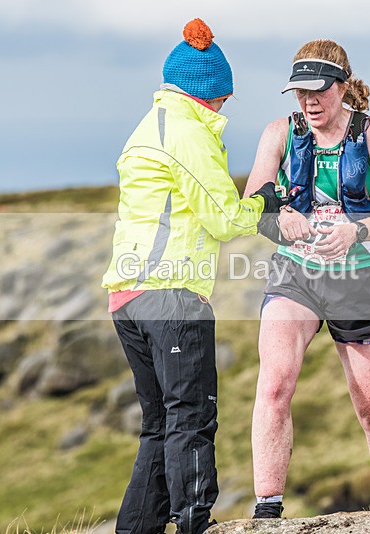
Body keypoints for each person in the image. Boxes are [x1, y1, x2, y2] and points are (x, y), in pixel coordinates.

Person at [101, 18, 281, 534]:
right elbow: (224, 218)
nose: (224, 107)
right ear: (208, 93)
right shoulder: (189, 133)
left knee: (158, 424)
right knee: (192, 415)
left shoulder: (147, 128)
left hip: (127, 297)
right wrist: (263, 202)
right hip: (172, 295)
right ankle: (194, 522)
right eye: (224, 98)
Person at [243, 39, 370, 519]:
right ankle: (267, 512)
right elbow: (254, 201)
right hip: (294, 274)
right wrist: (282, 217)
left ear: (342, 86)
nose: (309, 102)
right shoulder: (279, 132)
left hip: (357, 278)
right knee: (274, 386)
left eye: (318, 91)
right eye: (300, 93)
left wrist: (355, 231)